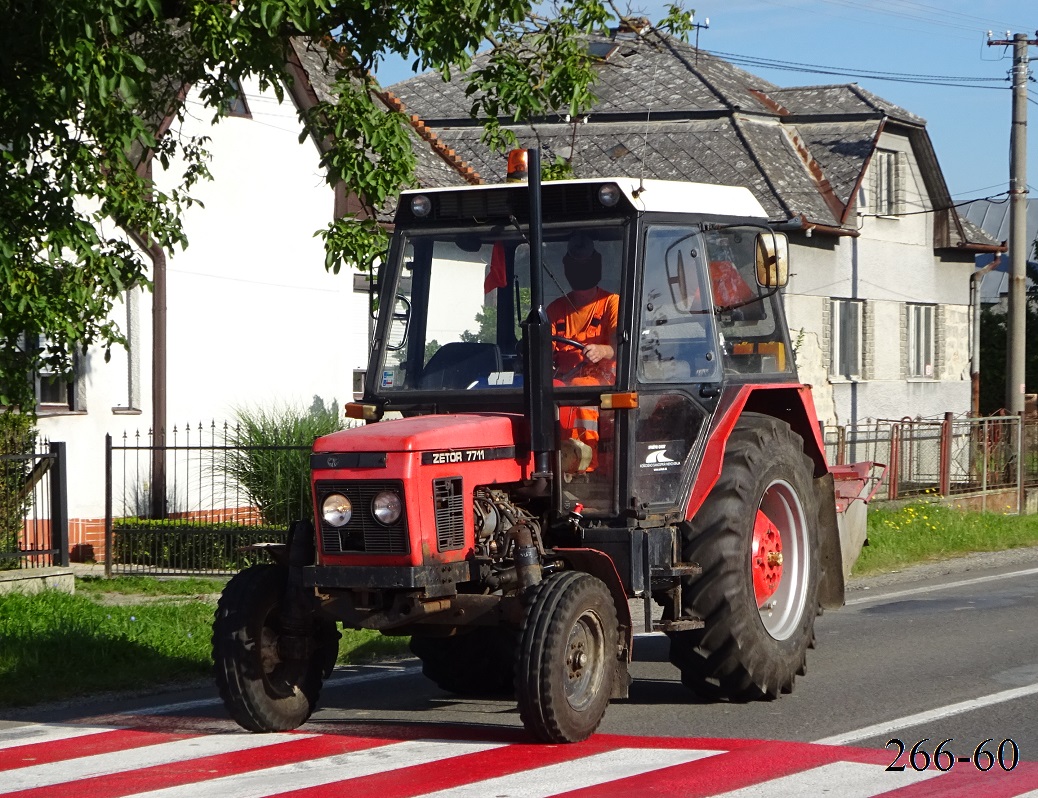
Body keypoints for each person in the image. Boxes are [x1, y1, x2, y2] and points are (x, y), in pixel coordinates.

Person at [547, 233, 619, 473]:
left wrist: (603, 350)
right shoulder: (555, 309)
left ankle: (585, 464)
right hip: (563, 382)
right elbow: (543, 351)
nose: (580, 269)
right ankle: (547, 460)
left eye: (585, 263)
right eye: (575, 264)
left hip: (605, 382)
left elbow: (622, 343)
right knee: (546, 390)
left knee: (580, 389)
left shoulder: (611, 303)